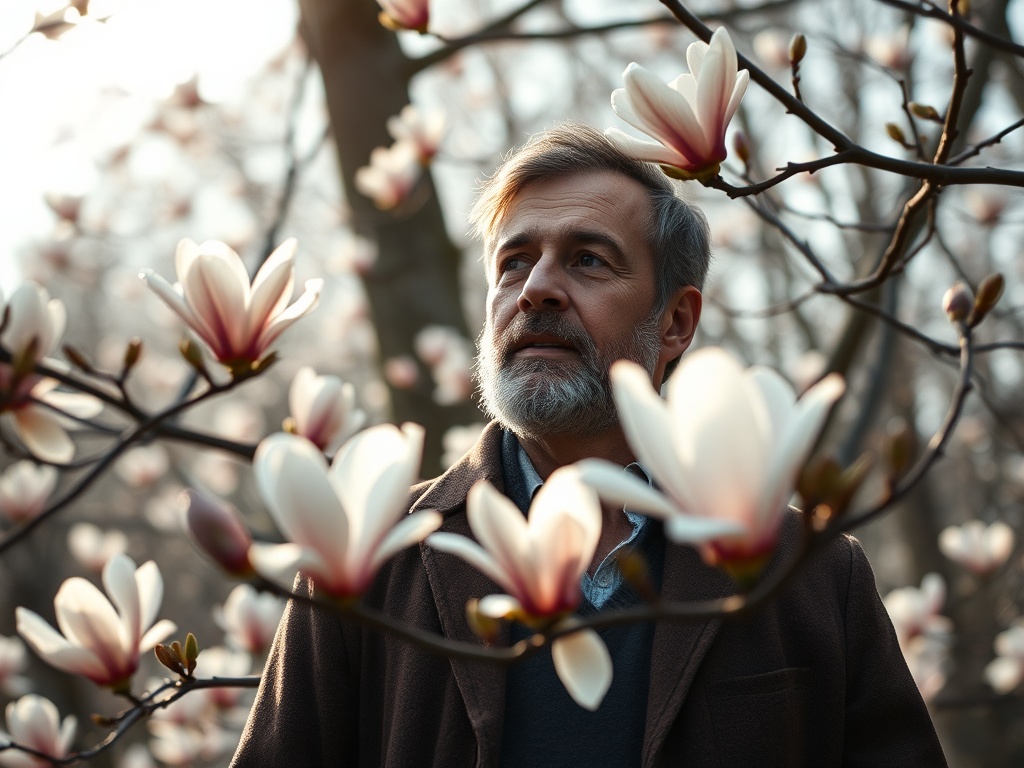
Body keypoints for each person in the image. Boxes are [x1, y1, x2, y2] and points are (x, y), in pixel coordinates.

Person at [231, 124, 947, 766]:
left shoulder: (813, 577)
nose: (537, 289)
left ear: (675, 322)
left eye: (589, 260)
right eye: (513, 263)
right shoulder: (367, 561)